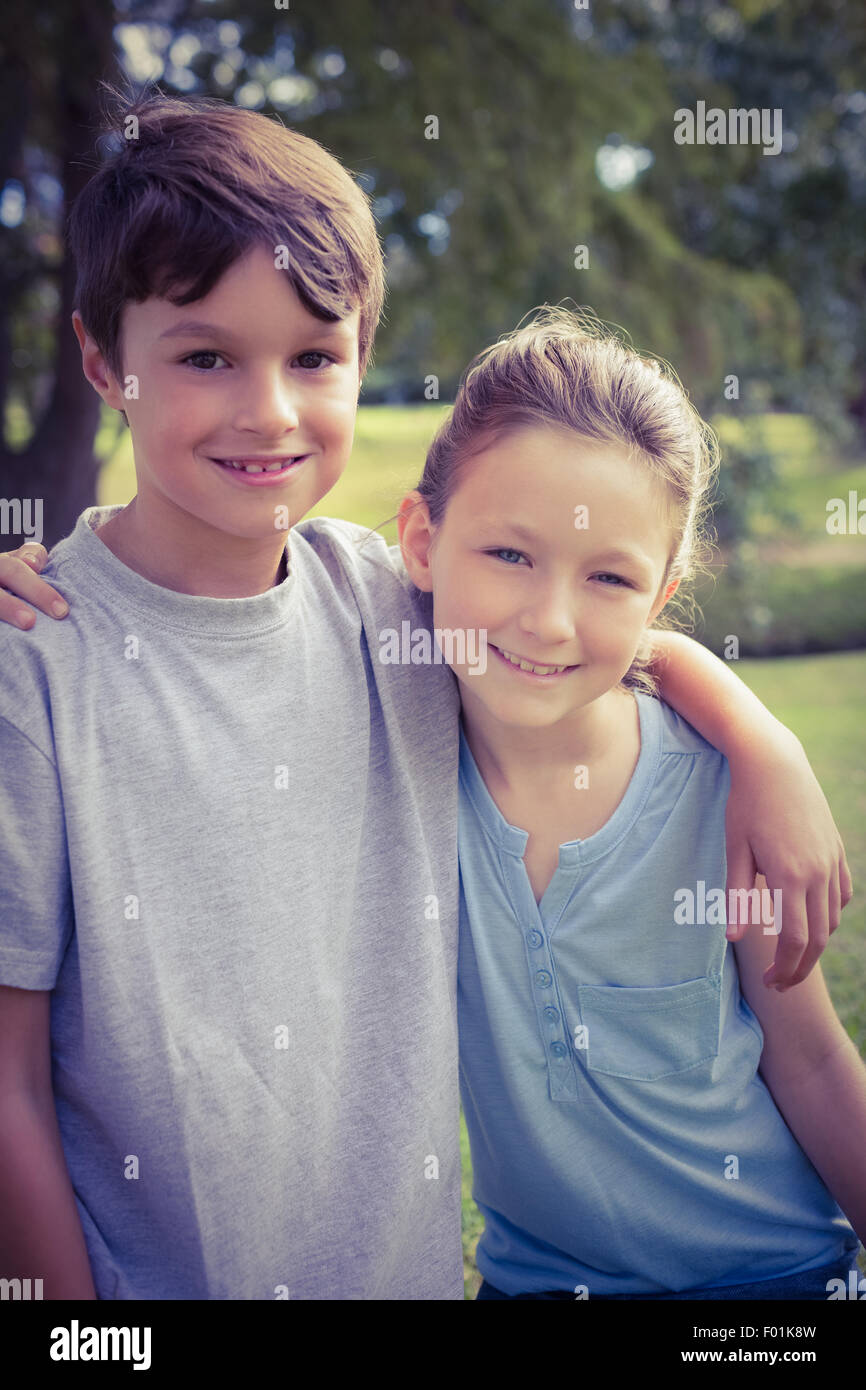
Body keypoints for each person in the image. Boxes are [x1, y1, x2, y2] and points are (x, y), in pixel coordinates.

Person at [0, 90, 853, 1301]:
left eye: (312, 357)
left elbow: (570, 638)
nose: (269, 411)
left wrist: (757, 741)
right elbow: (8, 1090)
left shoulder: (373, 600)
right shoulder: (33, 664)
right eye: (203, 356)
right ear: (102, 361)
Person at [397, 308, 866, 1300]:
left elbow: (812, 1061)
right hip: (535, 1285)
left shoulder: (717, 794)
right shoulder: (393, 768)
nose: (549, 618)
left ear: (659, 598)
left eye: (607, 576)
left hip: (770, 1284)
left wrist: (755, 745)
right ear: (419, 540)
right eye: (508, 556)